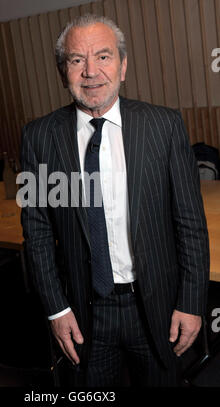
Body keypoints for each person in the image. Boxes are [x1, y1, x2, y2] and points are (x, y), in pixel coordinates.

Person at [20, 14, 209, 387]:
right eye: (77, 60)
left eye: (103, 57)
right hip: (83, 313)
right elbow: (37, 233)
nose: (91, 71)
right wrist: (56, 308)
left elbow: (190, 223)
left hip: (157, 307)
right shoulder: (37, 137)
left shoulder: (165, 126)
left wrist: (191, 301)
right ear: (63, 72)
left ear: (123, 66)